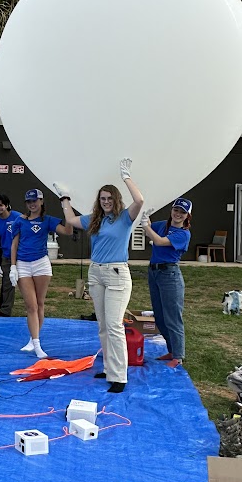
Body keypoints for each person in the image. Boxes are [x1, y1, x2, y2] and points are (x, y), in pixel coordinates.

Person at [58, 159, 144, 393]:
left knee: (115, 325)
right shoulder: (94, 220)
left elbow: (140, 200)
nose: (106, 202)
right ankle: (109, 368)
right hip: (96, 272)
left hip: (117, 273)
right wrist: (64, 199)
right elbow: (70, 220)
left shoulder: (125, 218)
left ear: (116, 200)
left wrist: (126, 176)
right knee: (104, 326)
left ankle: (120, 376)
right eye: (102, 199)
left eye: (109, 199)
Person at [10, 188, 72, 358]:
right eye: (29, 202)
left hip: (41, 264)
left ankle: (33, 338)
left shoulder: (48, 220)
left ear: (41, 201)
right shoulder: (19, 221)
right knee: (31, 306)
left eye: (35, 201)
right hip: (23, 264)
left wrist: (66, 204)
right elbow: (14, 245)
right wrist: (13, 267)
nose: (32, 204)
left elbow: (68, 231)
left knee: (39, 303)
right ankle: (37, 345)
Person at [141, 198, 192, 369]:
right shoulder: (163, 225)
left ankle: (178, 356)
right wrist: (145, 218)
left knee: (172, 317)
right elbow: (148, 229)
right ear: (171, 210)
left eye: (182, 212)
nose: (178, 214)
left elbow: (159, 241)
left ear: (187, 216)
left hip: (169, 274)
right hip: (154, 272)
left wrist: (147, 227)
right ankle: (171, 350)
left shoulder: (183, 234)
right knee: (160, 316)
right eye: (176, 210)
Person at [0, 194, 21, 317]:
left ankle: (34, 307)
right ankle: (5, 310)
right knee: (7, 284)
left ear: (7, 206)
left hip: (23, 256)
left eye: (1, 205)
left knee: (27, 282)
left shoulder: (18, 217)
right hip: (7, 256)